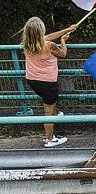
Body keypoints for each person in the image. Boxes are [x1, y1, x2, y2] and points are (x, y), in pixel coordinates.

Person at [21, 17, 77, 147]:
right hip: (47, 82)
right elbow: (63, 54)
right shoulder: (49, 45)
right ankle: (50, 139)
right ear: (41, 30)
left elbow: (49, 36)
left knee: (49, 102)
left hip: (32, 80)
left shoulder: (27, 44)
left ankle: (55, 113)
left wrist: (67, 29)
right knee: (48, 111)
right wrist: (63, 41)